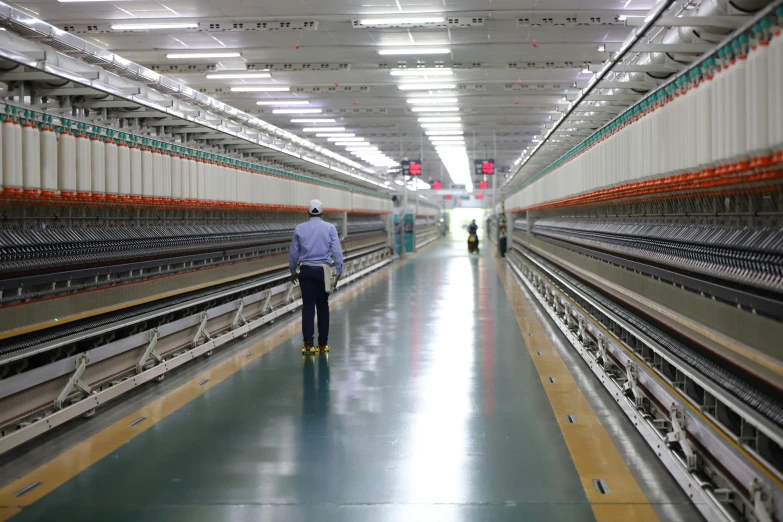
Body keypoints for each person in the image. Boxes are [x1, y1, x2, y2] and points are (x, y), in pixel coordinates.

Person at [289, 199, 343, 354]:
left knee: (307, 307)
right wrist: (338, 270)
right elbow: (337, 251)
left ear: (307, 214)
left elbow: (293, 253)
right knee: (322, 307)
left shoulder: (299, 229)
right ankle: (322, 344)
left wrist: (293, 271)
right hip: (323, 271)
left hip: (305, 272)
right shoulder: (330, 228)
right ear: (322, 213)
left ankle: (308, 345)